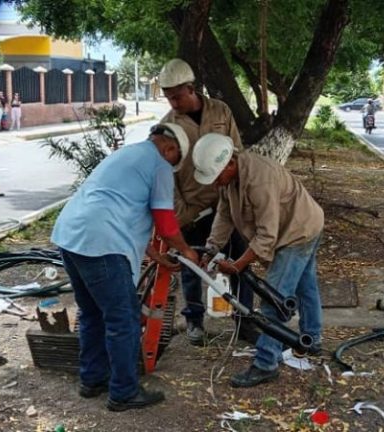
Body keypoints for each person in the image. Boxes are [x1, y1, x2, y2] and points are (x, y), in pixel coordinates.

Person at [51, 123, 199, 412]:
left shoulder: (127, 154)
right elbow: (166, 222)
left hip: (70, 235)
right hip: (102, 244)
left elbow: (122, 210)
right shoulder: (159, 166)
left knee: (92, 313)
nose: (172, 165)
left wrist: (156, 255)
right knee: (124, 319)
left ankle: (92, 379)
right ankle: (123, 392)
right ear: (170, 149)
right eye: (174, 159)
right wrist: (186, 250)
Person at [192, 133, 324, 388]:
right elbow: (224, 214)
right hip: (302, 223)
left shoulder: (259, 179)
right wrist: (211, 248)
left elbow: (267, 235)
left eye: (217, 176)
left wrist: (238, 265)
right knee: (305, 286)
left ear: (230, 163)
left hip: (298, 232)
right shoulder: (229, 179)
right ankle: (312, 338)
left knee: (273, 299)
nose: (216, 183)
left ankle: (266, 363)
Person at [158, 58, 258, 346]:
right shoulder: (167, 126)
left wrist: (240, 196)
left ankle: (245, 322)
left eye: (177, 95)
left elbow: (237, 154)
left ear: (191, 88)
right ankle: (194, 321)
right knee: (191, 266)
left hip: (225, 203)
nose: (173, 102)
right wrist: (179, 213)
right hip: (191, 208)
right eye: (167, 97)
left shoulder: (221, 111)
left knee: (241, 263)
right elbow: (166, 175)